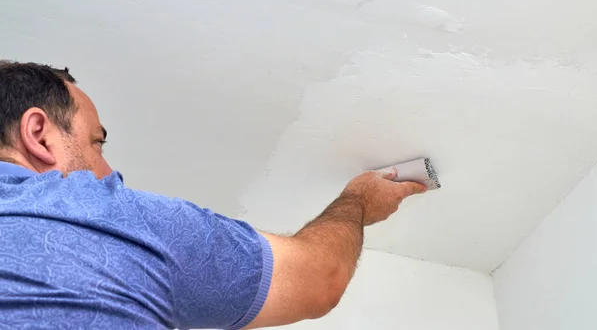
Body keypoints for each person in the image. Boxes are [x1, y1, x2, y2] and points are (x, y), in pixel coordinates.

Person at [0, 60, 427, 330]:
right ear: (38, 134)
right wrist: (358, 201)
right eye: (96, 144)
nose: (109, 173)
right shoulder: (99, 215)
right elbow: (319, 279)